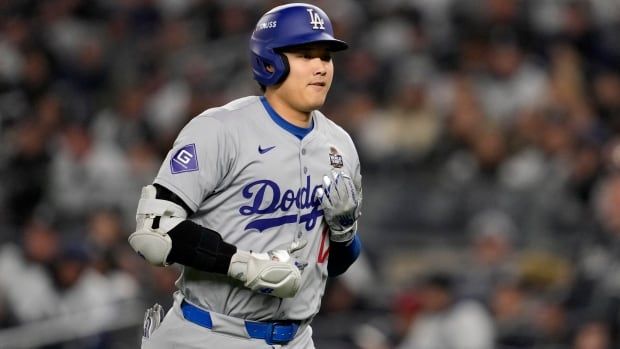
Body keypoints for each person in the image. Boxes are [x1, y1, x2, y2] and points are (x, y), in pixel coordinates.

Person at [128, 3, 363, 348]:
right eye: (305, 54)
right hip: (209, 334)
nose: (320, 67)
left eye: (325, 56)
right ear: (271, 62)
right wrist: (244, 266)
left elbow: (336, 265)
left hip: (297, 338)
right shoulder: (221, 129)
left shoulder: (340, 146)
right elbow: (153, 230)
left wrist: (344, 232)